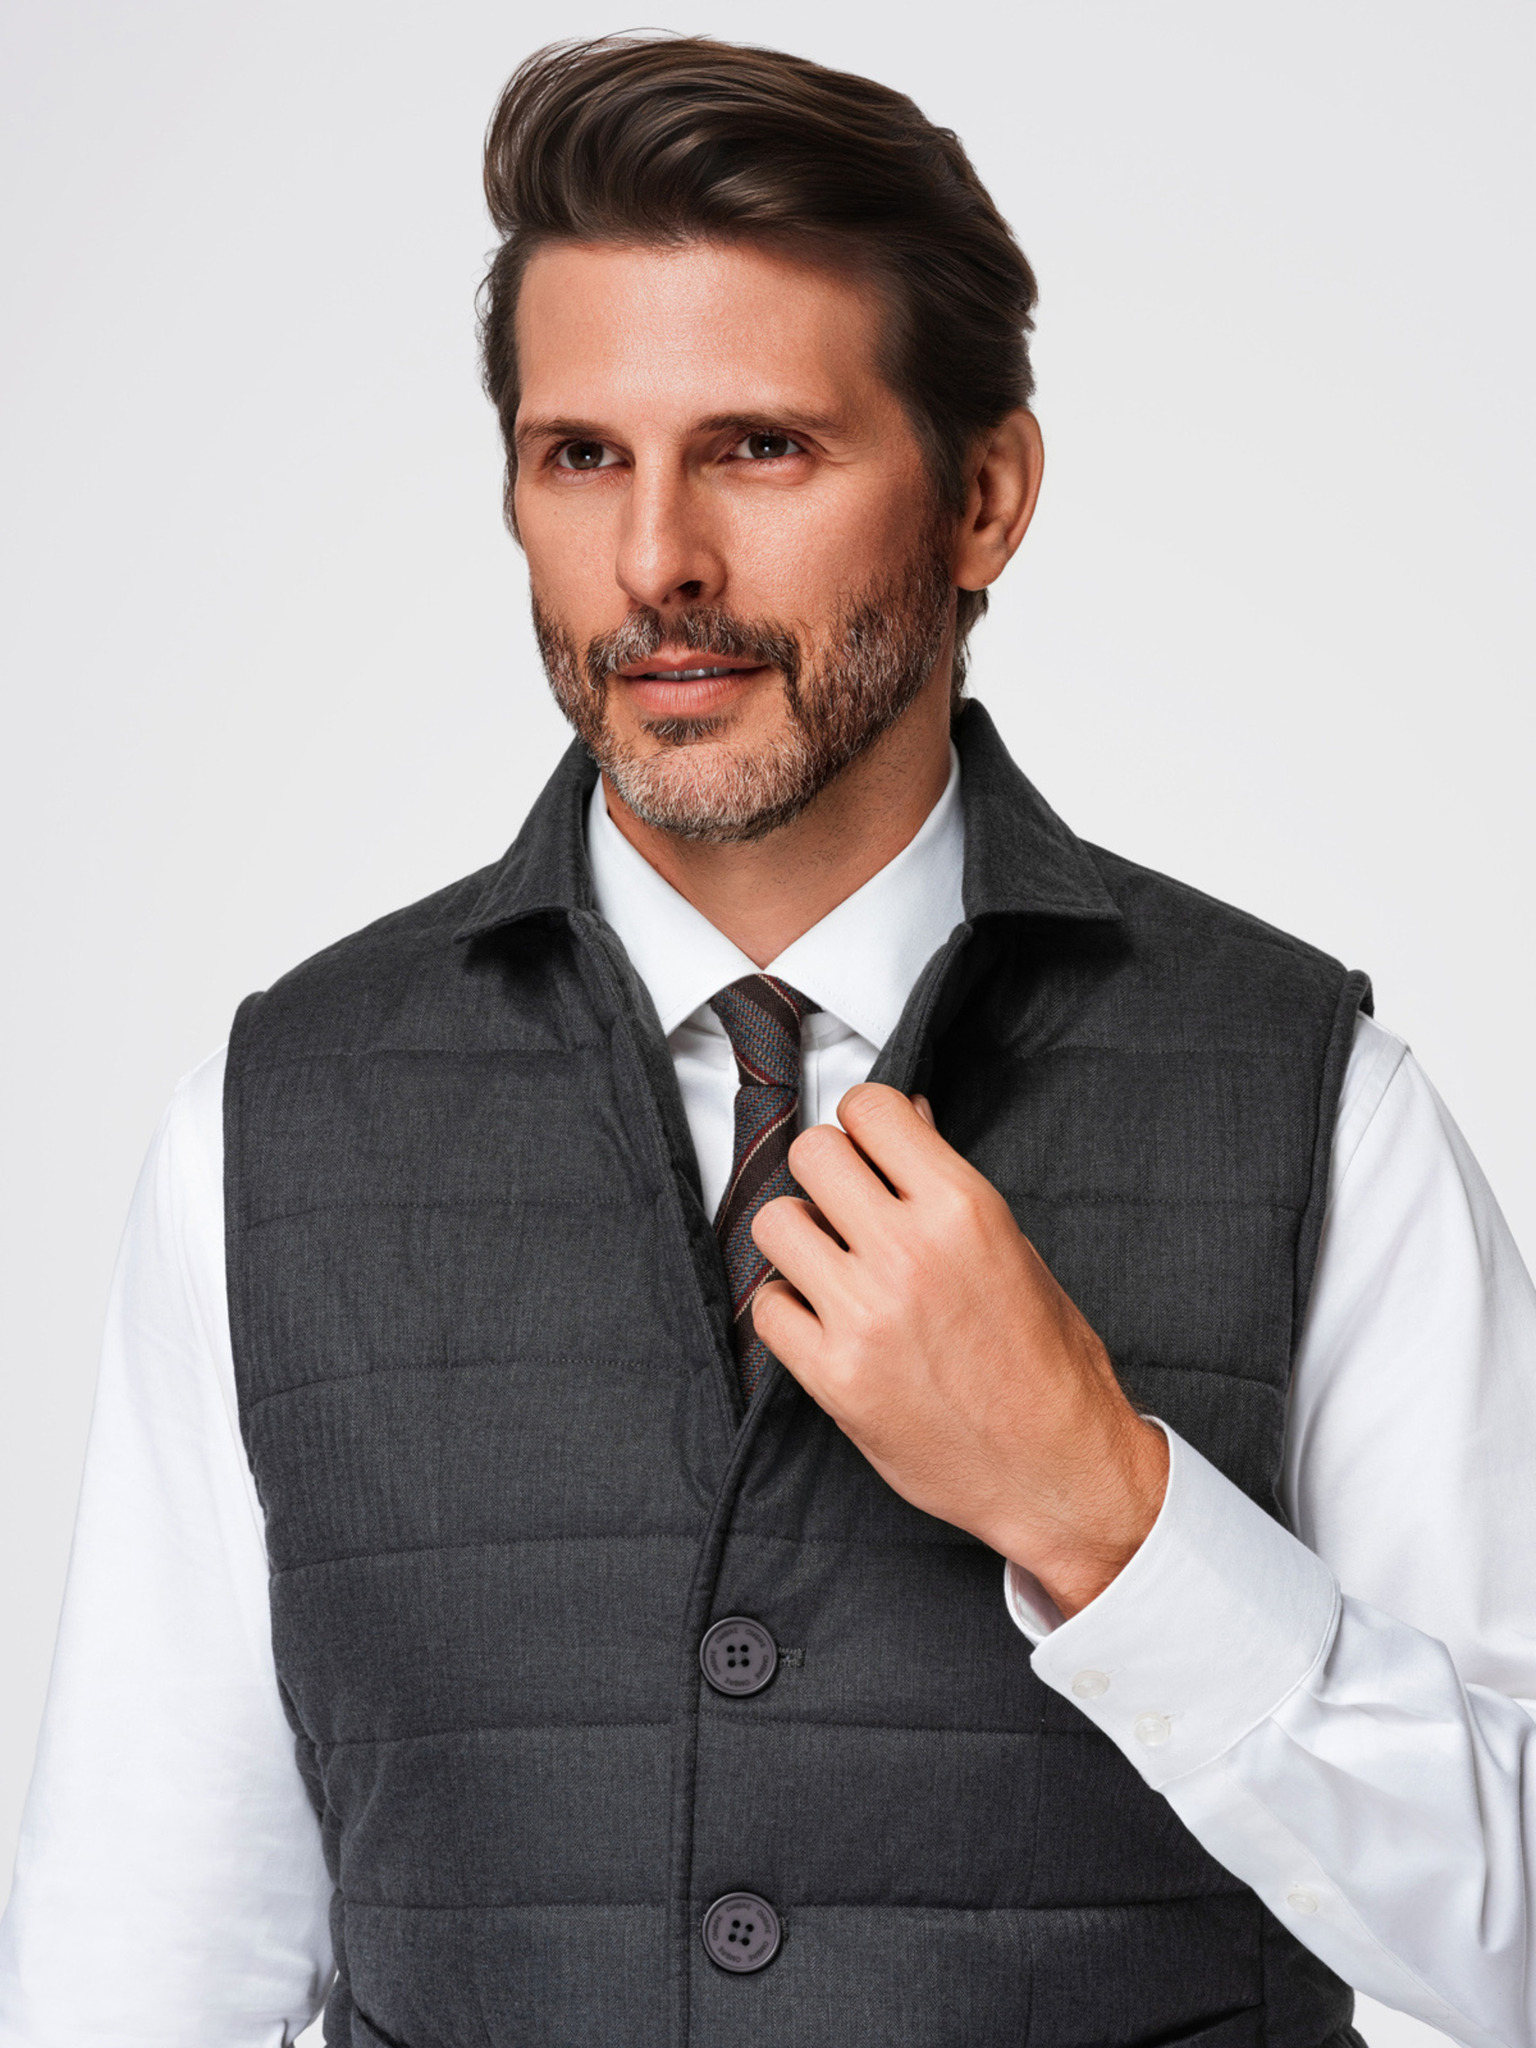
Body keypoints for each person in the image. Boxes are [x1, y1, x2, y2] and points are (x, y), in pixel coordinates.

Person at [2, 31, 1534, 2048]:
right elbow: (139, 1977)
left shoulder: (1320, 1105)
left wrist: (1109, 1508)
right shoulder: (270, 1127)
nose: (657, 564)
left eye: (759, 448)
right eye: (581, 457)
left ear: (983, 495)